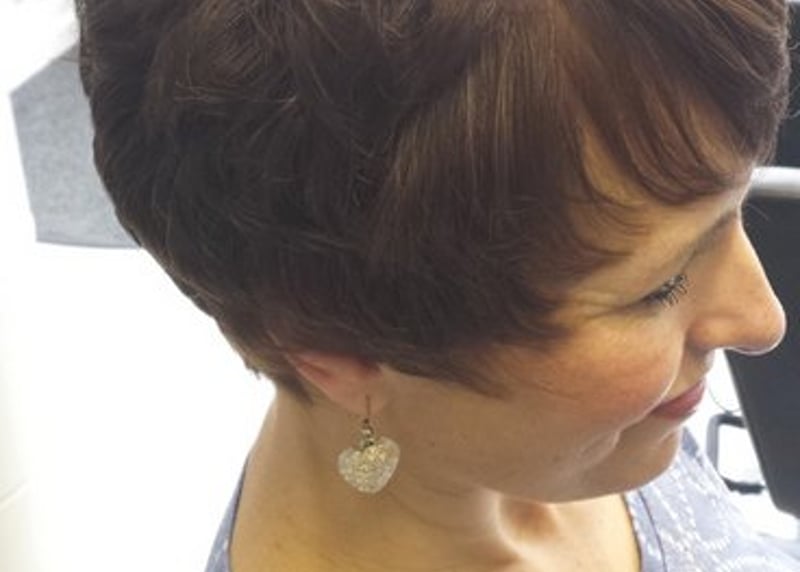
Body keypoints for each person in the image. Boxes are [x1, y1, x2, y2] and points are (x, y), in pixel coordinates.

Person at [77, 0, 799, 570]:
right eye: (658, 290)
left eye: (731, 209)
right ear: (343, 357)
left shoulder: (566, 424)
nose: (763, 319)